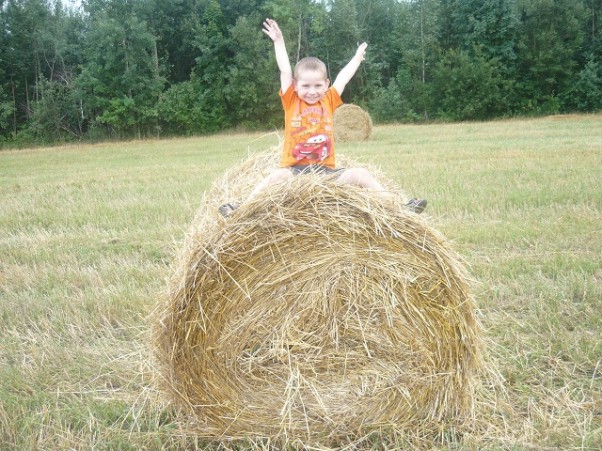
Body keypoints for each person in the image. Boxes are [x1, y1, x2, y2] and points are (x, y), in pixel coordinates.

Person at [220, 18, 426, 216]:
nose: (312, 91)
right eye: (306, 86)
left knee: (361, 174)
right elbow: (284, 69)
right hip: (295, 173)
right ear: (296, 85)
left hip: (327, 174)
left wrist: (356, 58)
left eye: (318, 85)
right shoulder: (292, 101)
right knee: (276, 176)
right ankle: (241, 209)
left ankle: (400, 207)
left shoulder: (328, 100)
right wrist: (279, 41)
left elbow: (343, 78)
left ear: (326, 84)